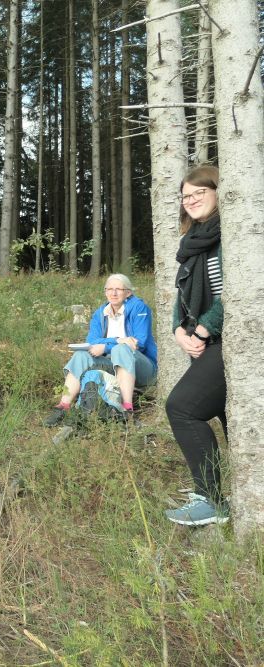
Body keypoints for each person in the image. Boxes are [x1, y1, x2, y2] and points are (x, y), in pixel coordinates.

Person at [163, 165, 227, 526]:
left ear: (219, 191)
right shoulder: (193, 242)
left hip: (232, 340)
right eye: (186, 196)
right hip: (207, 340)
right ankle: (220, 497)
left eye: (199, 193)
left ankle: (212, 501)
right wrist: (178, 330)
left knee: (183, 407)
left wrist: (204, 330)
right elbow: (183, 296)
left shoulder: (231, 234)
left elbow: (239, 291)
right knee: (227, 415)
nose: (191, 201)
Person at [43, 274, 158, 426]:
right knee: (81, 355)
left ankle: (127, 409)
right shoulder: (100, 313)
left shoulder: (139, 308)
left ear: (128, 293)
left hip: (143, 369)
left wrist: (108, 345)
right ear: (105, 292)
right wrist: (118, 340)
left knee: (121, 350)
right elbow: (92, 341)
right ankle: (63, 406)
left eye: (118, 289)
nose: (113, 293)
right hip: (113, 366)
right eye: (109, 289)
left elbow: (139, 343)